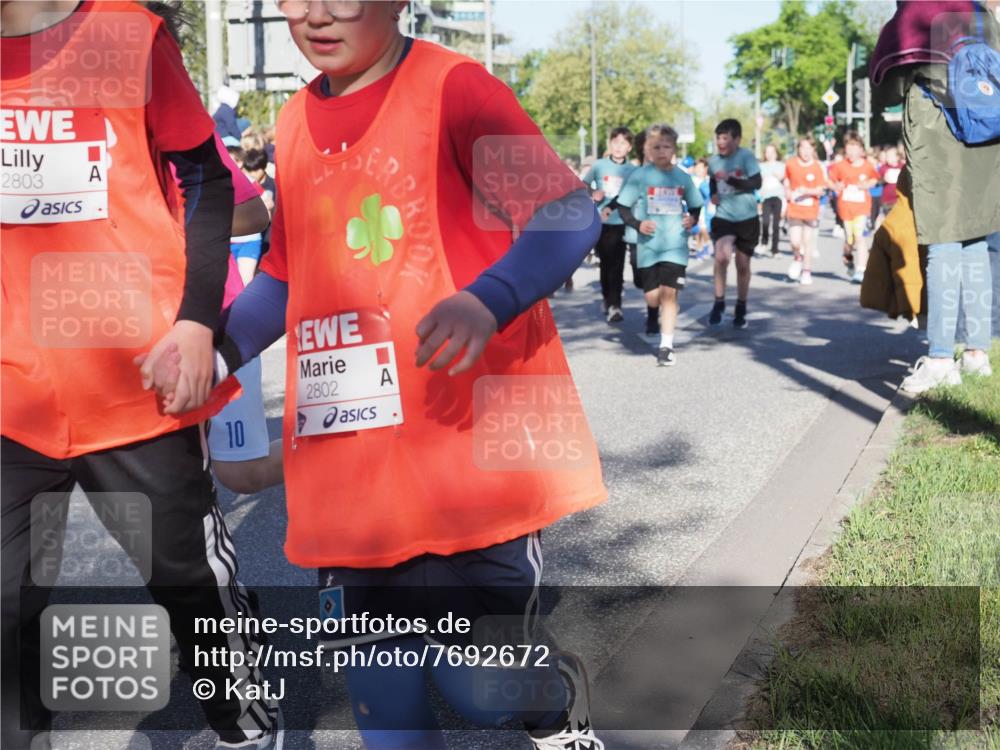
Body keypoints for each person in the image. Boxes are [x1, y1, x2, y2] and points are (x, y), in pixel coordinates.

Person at [144, 2, 609, 749]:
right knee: (383, 701)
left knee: (482, 689)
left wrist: (489, 299)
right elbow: (286, 275)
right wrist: (217, 351)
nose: (317, 15)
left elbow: (569, 211)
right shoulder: (294, 122)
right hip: (349, 477)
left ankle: (554, 700)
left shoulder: (455, 89)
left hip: (466, 463)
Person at [0, 2, 283, 749]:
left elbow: (209, 178)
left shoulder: (129, 35)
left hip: (137, 380)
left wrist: (195, 321)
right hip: (13, 395)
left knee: (189, 589)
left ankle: (245, 727)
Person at [871, 0, 998, 393]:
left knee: (943, 242)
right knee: (975, 240)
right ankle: (976, 353)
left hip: (939, 135)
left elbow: (887, 85)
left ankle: (941, 359)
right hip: (986, 132)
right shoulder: (980, 11)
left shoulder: (916, 10)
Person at [616, 124, 703, 366]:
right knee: (653, 297)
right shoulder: (640, 176)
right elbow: (623, 206)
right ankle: (654, 313)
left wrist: (692, 218)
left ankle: (666, 346)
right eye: (656, 147)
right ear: (648, 150)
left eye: (666, 146)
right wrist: (638, 224)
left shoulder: (682, 177)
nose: (662, 151)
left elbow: (696, 205)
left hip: (675, 245)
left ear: (674, 148)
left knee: (669, 295)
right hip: (649, 246)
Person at [707, 119, 762, 329]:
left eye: (725, 138)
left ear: (737, 139)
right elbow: (713, 179)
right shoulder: (714, 161)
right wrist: (713, 193)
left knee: (742, 264)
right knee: (721, 256)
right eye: (718, 138)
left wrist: (731, 180)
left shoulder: (746, 157)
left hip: (747, 217)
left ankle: (741, 305)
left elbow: (757, 182)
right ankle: (719, 302)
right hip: (724, 216)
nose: (720, 142)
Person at [582, 127, 636, 323]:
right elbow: (583, 185)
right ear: (610, 144)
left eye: (623, 143)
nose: (618, 147)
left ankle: (615, 305)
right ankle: (607, 298)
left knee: (618, 264)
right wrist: (593, 193)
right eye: (615, 142)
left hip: (622, 221)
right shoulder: (599, 166)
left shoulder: (632, 170)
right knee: (606, 263)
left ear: (629, 147)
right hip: (601, 221)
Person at [827, 131, 878, 284]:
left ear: (861, 149)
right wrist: (835, 186)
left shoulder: (867, 166)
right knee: (850, 239)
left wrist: (867, 185)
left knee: (860, 237)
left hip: (862, 208)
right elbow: (829, 180)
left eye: (855, 147)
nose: (851, 151)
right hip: (845, 208)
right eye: (849, 147)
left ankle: (861, 270)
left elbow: (875, 179)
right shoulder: (840, 166)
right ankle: (848, 257)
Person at [784, 136, 827, 286]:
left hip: (810, 208)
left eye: (810, 148)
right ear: (798, 149)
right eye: (803, 148)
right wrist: (787, 191)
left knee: (808, 242)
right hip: (794, 207)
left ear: (814, 150)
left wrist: (806, 191)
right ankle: (797, 257)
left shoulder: (817, 167)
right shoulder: (790, 164)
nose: (806, 152)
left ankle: (806, 272)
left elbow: (821, 190)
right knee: (795, 241)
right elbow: (786, 180)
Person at [757, 144, 785, 258]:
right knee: (765, 222)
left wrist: (777, 175)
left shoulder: (781, 165)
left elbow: (783, 178)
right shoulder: (761, 166)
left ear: (776, 153)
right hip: (765, 197)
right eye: (767, 152)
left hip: (777, 196)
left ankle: (775, 249)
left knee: (776, 224)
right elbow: (759, 181)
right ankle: (764, 242)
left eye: (771, 152)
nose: (769, 154)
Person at [691, 158, 714, 260]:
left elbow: (710, 195)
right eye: (697, 168)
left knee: (703, 228)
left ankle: (707, 245)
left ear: (706, 168)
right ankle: (700, 249)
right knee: (697, 230)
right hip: (694, 209)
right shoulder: (692, 179)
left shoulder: (708, 180)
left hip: (705, 209)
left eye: (700, 168)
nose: (698, 170)